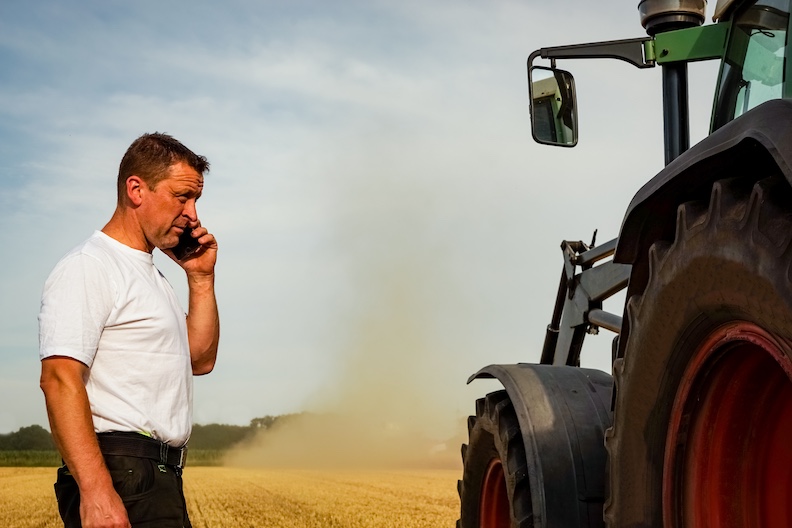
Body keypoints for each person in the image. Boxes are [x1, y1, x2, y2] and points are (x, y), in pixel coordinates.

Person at [38, 132, 220, 528]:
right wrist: (97, 490)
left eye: (196, 200)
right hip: (121, 473)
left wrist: (201, 279)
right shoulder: (91, 266)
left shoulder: (152, 277)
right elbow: (58, 379)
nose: (193, 215)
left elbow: (200, 360)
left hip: (155, 476)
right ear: (136, 189)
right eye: (182, 196)